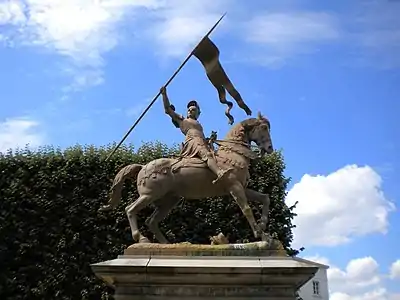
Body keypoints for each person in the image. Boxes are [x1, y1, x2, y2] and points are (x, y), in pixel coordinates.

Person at [160, 86, 233, 184]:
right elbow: (168, 110)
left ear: (199, 113)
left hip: (201, 142)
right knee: (207, 155)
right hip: (193, 142)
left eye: (193, 110)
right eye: (189, 110)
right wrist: (164, 95)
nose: (190, 111)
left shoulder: (198, 124)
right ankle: (219, 173)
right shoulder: (182, 120)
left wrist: (209, 140)